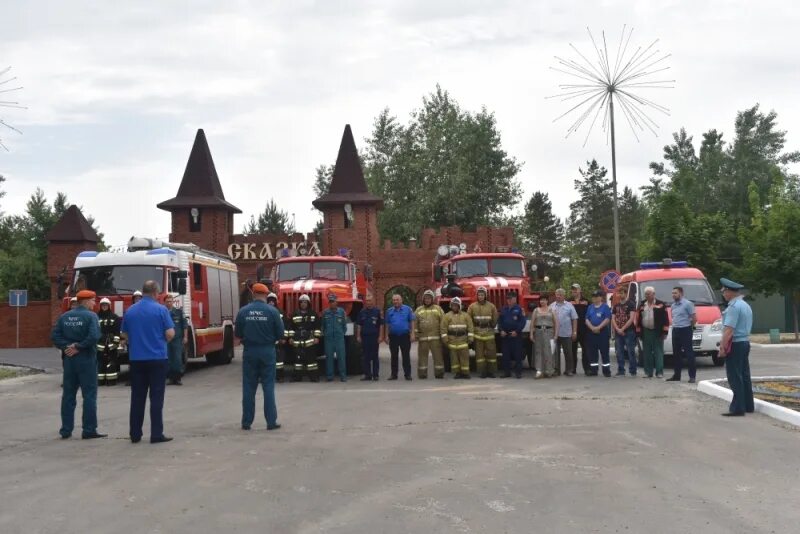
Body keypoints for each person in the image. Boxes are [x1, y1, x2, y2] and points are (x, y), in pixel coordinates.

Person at [121, 281, 175, 444]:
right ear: (155, 293)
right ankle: (156, 434)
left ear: (143, 292)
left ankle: (135, 434)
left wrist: (136, 341)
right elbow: (170, 333)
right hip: (157, 358)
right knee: (156, 397)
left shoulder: (130, 311)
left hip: (137, 359)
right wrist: (159, 341)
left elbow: (124, 334)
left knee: (137, 397)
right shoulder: (161, 310)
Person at [51, 289, 105, 440]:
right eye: (93, 301)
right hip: (86, 359)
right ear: (86, 301)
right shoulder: (91, 316)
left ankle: (66, 430)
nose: (95, 304)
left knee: (68, 395)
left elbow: (55, 336)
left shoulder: (65, 316)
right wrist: (78, 347)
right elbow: (94, 336)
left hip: (69, 361)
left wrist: (68, 346)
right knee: (89, 395)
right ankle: (89, 430)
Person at [235, 283, 285, 430]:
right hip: (267, 351)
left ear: (253, 294)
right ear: (266, 295)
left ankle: (246, 422)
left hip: (250, 351)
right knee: (268, 387)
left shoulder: (243, 311)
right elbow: (281, 334)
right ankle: (271, 422)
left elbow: (238, 334)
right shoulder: (273, 312)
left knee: (248, 388)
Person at [718, 278, 754, 416]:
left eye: (724, 291)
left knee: (734, 375)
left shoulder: (733, 307)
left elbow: (729, 330)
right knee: (744, 375)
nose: (723, 294)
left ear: (729, 292)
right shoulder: (744, 305)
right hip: (745, 342)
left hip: (736, 343)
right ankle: (748, 405)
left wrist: (722, 347)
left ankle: (738, 408)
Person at [636, 286, 670, 378]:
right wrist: (638, 333)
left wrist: (665, 332)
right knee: (646, 353)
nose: (646, 296)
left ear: (653, 294)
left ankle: (659, 372)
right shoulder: (642, 305)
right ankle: (648, 372)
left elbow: (666, 319)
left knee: (658, 352)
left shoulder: (661, 304)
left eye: (648, 294)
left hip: (657, 332)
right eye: (645, 294)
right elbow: (638, 319)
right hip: (646, 331)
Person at [287, 294, 321, 382]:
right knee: (298, 360)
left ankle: (314, 377)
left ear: (308, 303)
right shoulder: (295, 314)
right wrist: (290, 338)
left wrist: (317, 337)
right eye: (301, 302)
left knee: (311, 360)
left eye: (305, 302)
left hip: (310, 340)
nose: (303, 304)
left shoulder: (313, 314)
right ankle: (297, 377)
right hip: (298, 340)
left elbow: (317, 327)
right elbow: (290, 327)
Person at [667, 286, 698, 383]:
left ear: (681, 293)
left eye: (675, 293)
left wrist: (692, 328)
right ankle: (677, 375)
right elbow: (673, 317)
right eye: (672, 293)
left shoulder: (688, 304)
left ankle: (692, 376)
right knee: (676, 354)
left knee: (689, 353)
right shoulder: (673, 306)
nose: (673, 295)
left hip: (685, 329)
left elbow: (694, 318)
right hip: (675, 330)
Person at [467, 287, 499, 378]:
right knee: (479, 355)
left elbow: (495, 317)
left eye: (482, 295)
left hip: (489, 332)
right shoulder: (472, 306)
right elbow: (469, 320)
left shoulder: (491, 306)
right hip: (478, 333)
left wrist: (492, 326)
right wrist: (472, 330)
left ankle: (491, 371)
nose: (480, 296)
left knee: (491, 353)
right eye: (479, 295)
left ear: (485, 296)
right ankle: (482, 372)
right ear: (477, 296)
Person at [415, 289, 445, 379]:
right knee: (422, 357)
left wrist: (443, 335)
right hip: (423, 338)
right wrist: (416, 334)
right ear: (423, 299)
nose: (427, 300)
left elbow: (443, 323)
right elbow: (415, 323)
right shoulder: (418, 310)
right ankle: (422, 374)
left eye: (429, 298)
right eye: (426, 298)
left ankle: (439, 373)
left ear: (432, 299)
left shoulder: (438, 309)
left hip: (436, 338)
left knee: (438, 357)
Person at [441, 297, 473, 379]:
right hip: (452, 341)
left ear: (459, 306)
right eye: (453, 305)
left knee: (464, 358)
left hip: (463, 340)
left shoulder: (466, 316)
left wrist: (470, 338)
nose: (454, 307)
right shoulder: (447, 316)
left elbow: (470, 327)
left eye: (456, 305)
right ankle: (457, 373)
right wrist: (445, 339)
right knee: (454, 359)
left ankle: (465, 373)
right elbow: (443, 328)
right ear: (451, 306)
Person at [385, 293, 415, 381]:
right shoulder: (389, 311)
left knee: (406, 356)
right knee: (394, 356)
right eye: (394, 300)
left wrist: (413, 333)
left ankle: (407, 374)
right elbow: (387, 324)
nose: (395, 302)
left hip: (405, 336)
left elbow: (412, 321)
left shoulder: (408, 309)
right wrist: (386, 335)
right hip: (393, 336)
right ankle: (394, 375)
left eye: (397, 300)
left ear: (401, 300)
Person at [550, 289, 578, 376]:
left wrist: (574, 332)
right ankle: (556, 370)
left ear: (564, 296)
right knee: (554, 353)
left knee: (569, 353)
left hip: (567, 333)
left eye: (560, 295)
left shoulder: (569, 306)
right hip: (554, 334)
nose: (558, 296)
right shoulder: (551, 306)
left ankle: (569, 370)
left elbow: (574, 319)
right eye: (557, 294)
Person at [499, 292, 527, 378]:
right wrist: (501, 330)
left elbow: (523, 322)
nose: (510, 300)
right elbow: (499, 321)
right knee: (505, 355)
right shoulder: (503, 309)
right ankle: (506, 372)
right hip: (506, 335)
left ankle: (518, 373)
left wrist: (517, 331)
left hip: (516, 335)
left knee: (517, 354)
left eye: (512, 298)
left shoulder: (519, 309)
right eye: (509, 298)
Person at [321, 294, 348, 382]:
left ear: (337, 302)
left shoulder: (341, 312)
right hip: (329, 339)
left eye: (333, 301)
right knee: (329, 358)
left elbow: (344, 325)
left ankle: (343, 376)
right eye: (330, 302)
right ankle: (329, 376)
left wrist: (341, 334)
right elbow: (323, 326)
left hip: (339, 339)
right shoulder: (325, 312)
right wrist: (325, 334)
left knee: (341, 358)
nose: (332, 303)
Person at [585, 290, 612, 377]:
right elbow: (586, 319)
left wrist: (598, 327)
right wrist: (592, 328)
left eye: (597, 297)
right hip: (591, 333)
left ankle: (606, 371)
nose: (595, 298)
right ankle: (594, 370)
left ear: (601, 297)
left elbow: (607, 319)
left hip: (602, 332)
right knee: (592, 352)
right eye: (593, 297)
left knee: (604, 352)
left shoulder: (605, 307)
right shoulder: (590, 307)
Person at [531, 294, 558, 378]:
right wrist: (531, 334)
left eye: (544, 300)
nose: (542, 301)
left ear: (547, 301)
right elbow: (532, 323)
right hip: (538, 332)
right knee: (538, 351)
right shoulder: (536, 310)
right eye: (541, 300)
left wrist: (556, 334)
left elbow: (556, 323)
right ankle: (539, 370)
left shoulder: (552, 310)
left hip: (549, 332)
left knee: (549, 351)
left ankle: (549, 370)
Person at [612, 287, 637, 377]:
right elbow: (613, 318)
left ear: (626, 294)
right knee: (619, 352)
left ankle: (633, 370)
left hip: (629, 331)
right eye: (619, 293)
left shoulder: (631, 304)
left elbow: (631, 318)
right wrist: (617, 329)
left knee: (631, 351)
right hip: (618, 332)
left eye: (622, 293)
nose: (621, 295)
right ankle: (621, 370)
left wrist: (622, 329)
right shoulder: (616, 305)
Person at [356, 294, 382, 381]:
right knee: (365, 356)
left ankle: (375, 375)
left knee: (375, 356)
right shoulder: (362, 312)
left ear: (373, 301)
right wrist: (358, 336)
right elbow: (359, 325)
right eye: (367, 301)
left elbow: (381, 325)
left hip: (374, 337)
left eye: (370, 301)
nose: (368, 302)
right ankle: (367, 375)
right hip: (365, 337)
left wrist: (380, 336)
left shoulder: (377, 311)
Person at [96, 297, 121, 386]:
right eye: (103, 305)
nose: (104, 306)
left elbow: (117, 331)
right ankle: (100, 381)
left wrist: (115, 342)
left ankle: (111, 381)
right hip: (100, 343)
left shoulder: (114, 317)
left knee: (112, 361)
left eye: (106, 305)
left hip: (111, 343)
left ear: (109, 306)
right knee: (100, 362)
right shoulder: (96, 317)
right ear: (100, 306)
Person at [164, 294, 188, 386]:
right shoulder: (162, 312)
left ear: (173, 302)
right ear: (164, 302)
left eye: (170, 301)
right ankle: (170, 378)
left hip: (177, 340)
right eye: (167, 301)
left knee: (177, 359)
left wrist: (185, 337)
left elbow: (184, 325)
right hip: (166, 340)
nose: (169, 303)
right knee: (168, 359)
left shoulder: (178, 312)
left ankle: (177, 378)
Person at [569, 284, 591, 375]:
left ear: (580, 290)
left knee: (586, 350)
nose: (574, 291)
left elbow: (590, 314)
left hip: (584, 330)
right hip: (572, 329)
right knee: (572, 350)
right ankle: (572, 369)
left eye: (576, 290)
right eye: (573, 290)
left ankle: (587, 369)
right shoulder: (568, 302)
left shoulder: (586, 301)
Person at [266, 293, 288, 382]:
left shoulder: (281, 313)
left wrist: (283, 338)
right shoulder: (264, 312)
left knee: (279, 361)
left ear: (276, 301)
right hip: (267, 340)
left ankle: (280, 377)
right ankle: (267, 377)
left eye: (273, 300)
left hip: (278, 341)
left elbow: (285, 327)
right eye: (269, 300)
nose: (271, 302)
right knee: (266, 360)